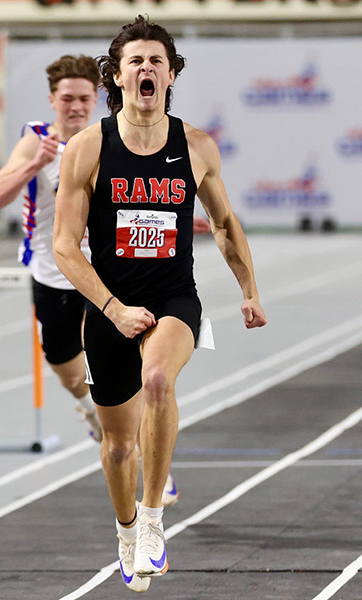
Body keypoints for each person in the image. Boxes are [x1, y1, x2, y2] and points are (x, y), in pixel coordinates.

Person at [53, 16, 267, 592]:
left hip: (173, 297)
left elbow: (224, 222)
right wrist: (113, 309)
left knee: (157, 380)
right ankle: (126, 530)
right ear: (117, 77)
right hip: (109, 305)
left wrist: (249, 289)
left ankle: (151, 520)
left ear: (171, 75)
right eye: (136, 62)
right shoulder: (88, 149)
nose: (146, 69)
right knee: (119, 446)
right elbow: (65, 247)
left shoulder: (195, 146)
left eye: (156, 61)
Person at [0, 54, 107, 446]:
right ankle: (90, 410)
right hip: (52, 272)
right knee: (67, 368)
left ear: (96, 99)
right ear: (52, 100)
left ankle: (130, 441)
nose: (76, 107)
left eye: (84, 99)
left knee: (108, 361)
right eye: (67, 98)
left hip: (102, 269)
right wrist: (35, 164)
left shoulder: (109, 139)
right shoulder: (36, 139)